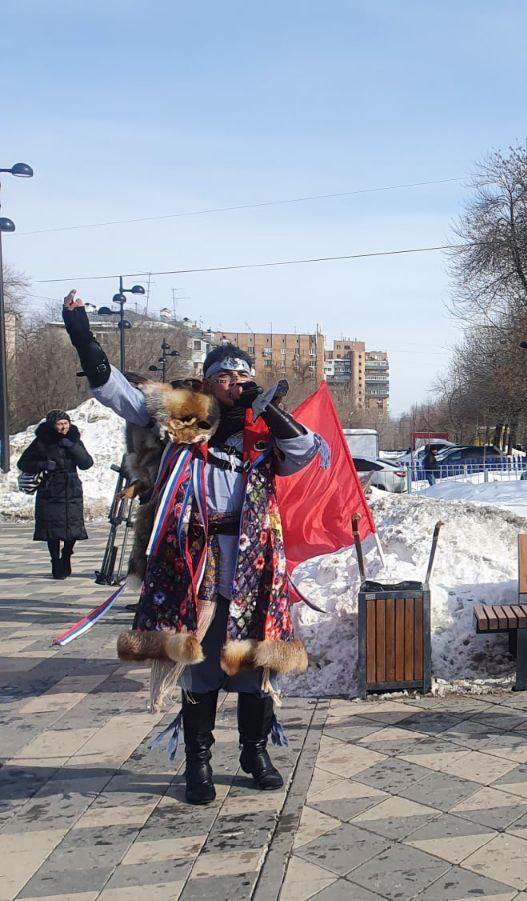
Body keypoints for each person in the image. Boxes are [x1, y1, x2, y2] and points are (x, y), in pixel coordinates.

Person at [61, 289, 321, 805]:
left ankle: (254, 752)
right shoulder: (184, 417)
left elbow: (305, 453)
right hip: (193, 562)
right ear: (207, 381)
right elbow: (119, 394)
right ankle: (198, 761)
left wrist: (264, 410)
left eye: (242, 376)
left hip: (253, 566)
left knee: (254, 662)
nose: (235, 383)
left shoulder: (266, 428)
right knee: (198, 663)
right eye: (225, 376)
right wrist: (80, 331)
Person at [17, 410, 93, 579]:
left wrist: (73, 447)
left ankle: (66, 555)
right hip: (50, 491)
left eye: (66, 423)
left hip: (71, 490)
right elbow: (23, 463)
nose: (64, 426)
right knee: (53, 530)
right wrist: (43, 464)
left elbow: (87, 463)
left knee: (73, 528)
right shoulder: (41, 442)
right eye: (60, 423)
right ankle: (55, 560)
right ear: (53, 425)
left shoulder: (74, 439)